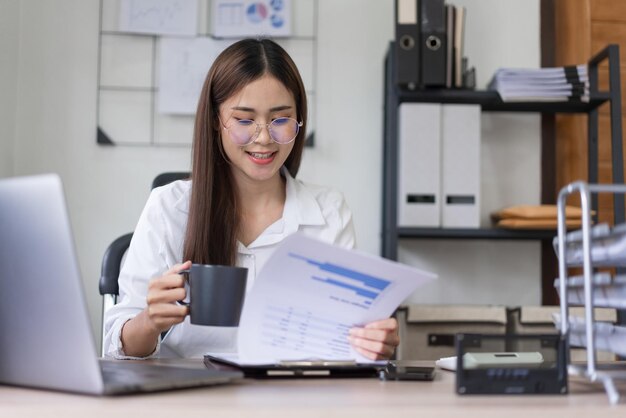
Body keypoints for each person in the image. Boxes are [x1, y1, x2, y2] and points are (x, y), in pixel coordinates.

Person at [103, 38, 399, 360]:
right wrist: (149, 320)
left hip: (291, 400)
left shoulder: (329, 211)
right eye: (244, 120)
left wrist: (370, 343)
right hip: (191, 399)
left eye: (281, 119)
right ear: (216, 121)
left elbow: (344, 342)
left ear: (299, 121)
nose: (263, 137)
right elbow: (119, 352)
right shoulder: (169, 208)